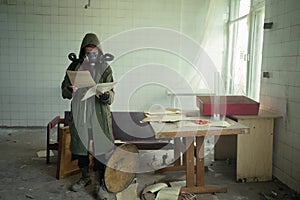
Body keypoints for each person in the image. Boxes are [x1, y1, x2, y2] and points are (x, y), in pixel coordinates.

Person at [61, 33, 116, 199]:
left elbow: (112, 96)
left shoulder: (105, 68)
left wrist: (105, 95)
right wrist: (70, 89)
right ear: (83, 51)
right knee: (81, 148)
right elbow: (64, 91)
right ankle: (84, 177)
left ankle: (100, 181)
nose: (91, 55)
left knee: (101, 148)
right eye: (87, 51)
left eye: (94, 52)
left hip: (99, 114)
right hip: (81, 113)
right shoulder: (74, 66)